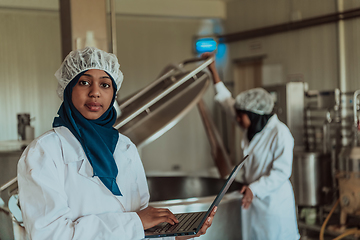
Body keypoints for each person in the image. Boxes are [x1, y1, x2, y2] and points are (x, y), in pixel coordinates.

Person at [17, 46, 216, 240]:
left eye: (105, 85)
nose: (95, 92)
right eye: (85, 82)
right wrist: (135, 223)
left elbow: (142, 229)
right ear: (68, 89)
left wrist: (174, 235)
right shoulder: (44, 152)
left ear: (113, 93)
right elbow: (51, 235)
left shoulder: (124, 147)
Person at [201, 52, 300, 240]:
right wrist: (212, 69)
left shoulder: (280, 133)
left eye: (241, 115)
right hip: (252, 201)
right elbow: (226, 102)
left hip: (273, 203)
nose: (237, 118)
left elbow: (281, 172)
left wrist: (255, 188)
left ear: (254, 114)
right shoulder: (251, 126)